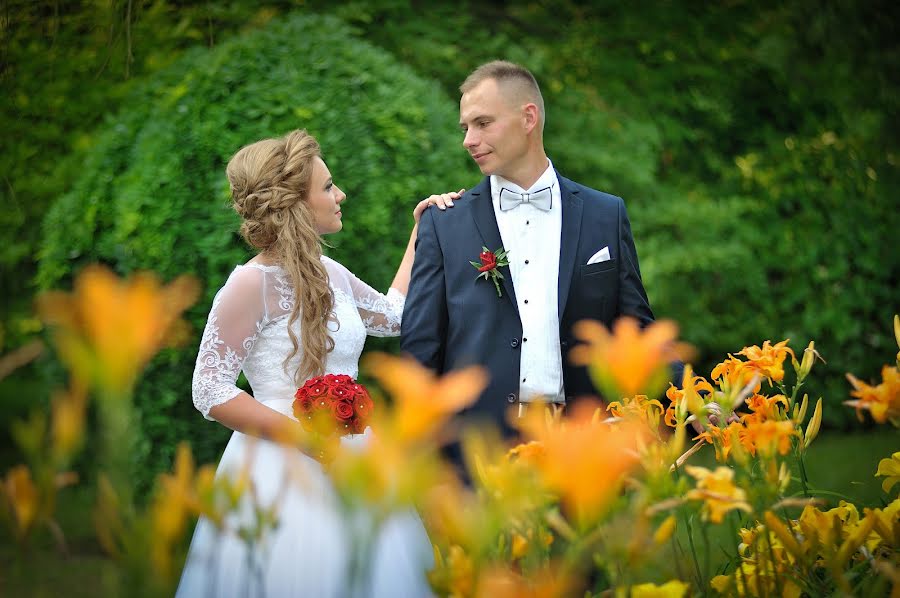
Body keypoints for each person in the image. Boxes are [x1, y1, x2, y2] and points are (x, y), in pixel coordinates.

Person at [176, 129, 457, 597]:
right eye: (328, 187)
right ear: (295, 204)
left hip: (355, 459)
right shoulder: (249, 284)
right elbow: (209, 388)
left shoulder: (332, 274)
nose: (339, 194)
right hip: (277, 469)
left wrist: (421, 231)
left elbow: (395, 317)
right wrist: (307, 441)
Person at [401, 60, 681, 445]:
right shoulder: (445, 223)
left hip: (582, 448)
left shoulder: (605, 214)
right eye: (465, 127)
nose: (468, 139)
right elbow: (420, 351)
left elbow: (637, 330)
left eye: (482, 123)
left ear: (528, 117)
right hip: (475, 452)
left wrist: (694, 399)